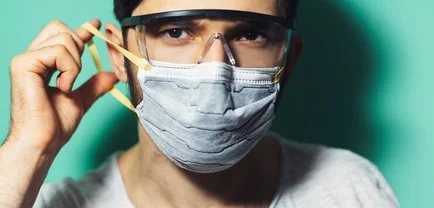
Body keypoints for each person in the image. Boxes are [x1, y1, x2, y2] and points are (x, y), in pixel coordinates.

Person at [0, 0, 400, 207]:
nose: (216, 69)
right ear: (120, 55)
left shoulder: (348, 189)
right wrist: (26, 151)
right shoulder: (40, 203)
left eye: (250, 35)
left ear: (288, 62)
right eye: (176, 31)